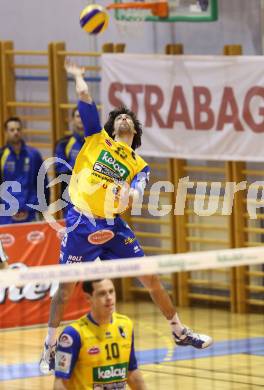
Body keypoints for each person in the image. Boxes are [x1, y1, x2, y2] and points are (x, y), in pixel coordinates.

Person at [40, 59, 212, 373]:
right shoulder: (96, 138)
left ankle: (178, 331)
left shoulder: (138, 164)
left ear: (133, 131)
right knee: (64, 290)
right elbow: (85, 98)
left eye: (127, 118)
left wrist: (127, 195)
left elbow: (137, 192)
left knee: (151, 278)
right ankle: (50, 346)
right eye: (118, 117)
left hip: (114, 226)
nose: (122, 119)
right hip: (82, 222)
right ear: (111, 127)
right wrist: (78, 75)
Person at [53, 279, 147, 390]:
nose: (109, 298)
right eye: (102, 293)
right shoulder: (72, 335)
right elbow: (60, 383)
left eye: (111, 291)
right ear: (88, 298)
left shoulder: (126, 325)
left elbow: (131, 371)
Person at [0, 116, 50, 224]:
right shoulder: (1, 155)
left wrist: (44, 209)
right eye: (12, 130)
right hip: (6, 215)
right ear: (5, 132)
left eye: (18, 129)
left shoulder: (33, 154)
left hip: (31, 213)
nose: (16, 132)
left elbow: (42, 182)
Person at [54, 107, 85, 217]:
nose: (81, 119)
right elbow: (59, 169)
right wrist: (77, 164)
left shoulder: (97, 144)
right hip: (69, 201)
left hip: (92, 201)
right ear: (72, 119)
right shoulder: (64, 143)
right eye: (78, 116)